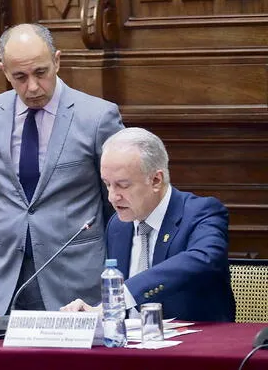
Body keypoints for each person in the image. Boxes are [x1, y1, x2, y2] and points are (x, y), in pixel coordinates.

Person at [0, 23, 124, 316]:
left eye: (41, 72)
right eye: (20, 77)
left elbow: (115, 200)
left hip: (74, 276)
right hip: (3, 277)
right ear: (4, 71)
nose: (33, 87)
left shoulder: (98, 116)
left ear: (57, 61)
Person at [61, 127, 235, 322]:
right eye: (107, 184)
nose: (112, 196)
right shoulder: (118, 226)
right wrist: (95, 313)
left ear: (155, 180)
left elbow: (204, 258)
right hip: (131, 347)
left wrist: (123, 295)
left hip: (198, 344)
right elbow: (120, 311)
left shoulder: (201, 212)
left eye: (123, 185)